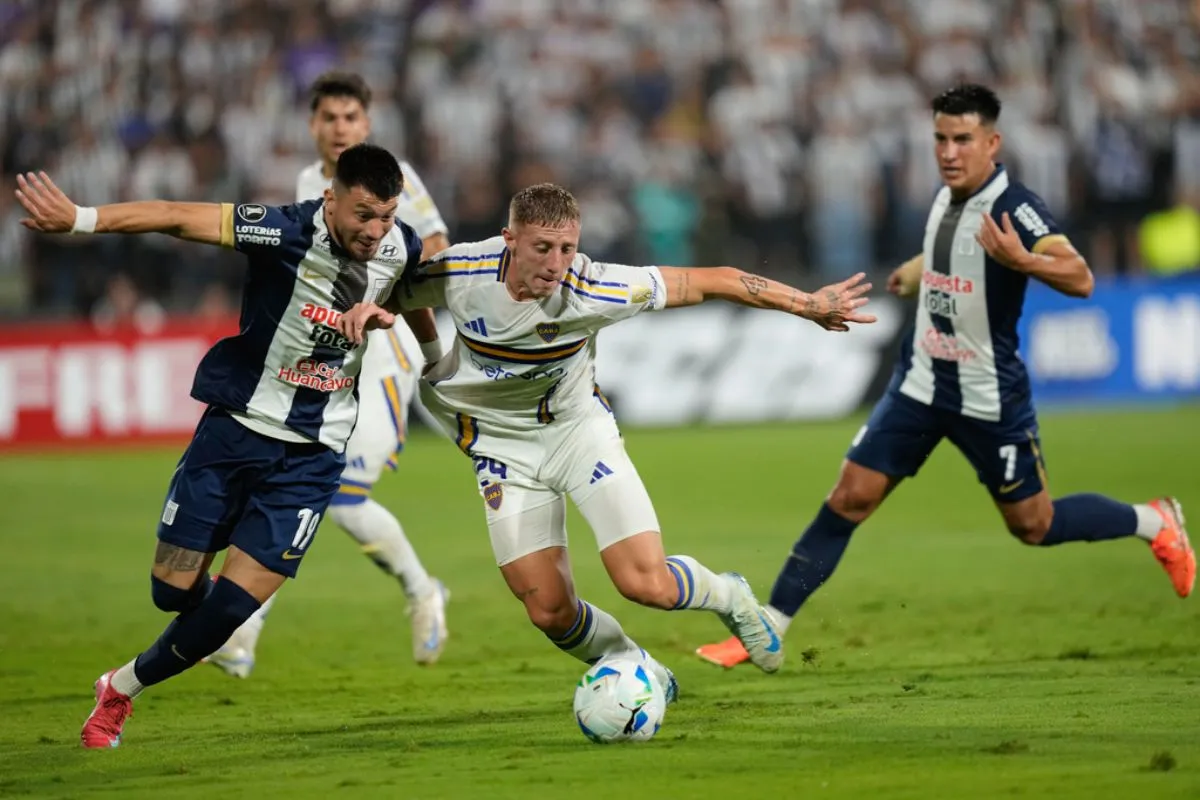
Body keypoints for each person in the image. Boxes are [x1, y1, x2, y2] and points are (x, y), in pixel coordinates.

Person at [695, 83, 1194, 670]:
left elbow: (1079, 276)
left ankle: (1153, 519)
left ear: (992, 142)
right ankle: (770, 630)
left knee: (1035, 525)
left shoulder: (1015, 207)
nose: (949, 151)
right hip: (920, 383)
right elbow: (947, 250)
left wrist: (1024, 260)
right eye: (940, 138)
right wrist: (911, 271)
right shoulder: (948, 196)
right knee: (849, 496)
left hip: (987, 397)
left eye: (962, 139)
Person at [335, 182, 876, 693]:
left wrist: (806, 304)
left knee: (647, 585)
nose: (555, 264)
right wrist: (434, 358)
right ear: (510, 240)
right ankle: (633, 665)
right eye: (542, 248)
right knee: (548, 610)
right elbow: (399, 292)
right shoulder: (463, 271)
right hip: (501, 449)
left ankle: (729, 595)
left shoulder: (594, 285)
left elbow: (712, 279)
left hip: (577, 434)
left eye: (567, 248)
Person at [14, 142, 435, 748]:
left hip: (313, 457)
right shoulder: (283, 231)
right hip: (235, 432)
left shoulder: (402, 245)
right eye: (363, 214)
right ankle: (209, 620)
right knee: (173, 593)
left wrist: (431, 356)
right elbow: (174, 214)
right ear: (331, 199)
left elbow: (409, 292)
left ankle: (121, 689)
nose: (375, 231)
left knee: (233, 610)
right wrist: (81, 219)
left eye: (386, 216)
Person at [206, 71, 451, 678]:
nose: (340, 128)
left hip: (384, 354)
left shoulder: (393, 177)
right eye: (329, 118)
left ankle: (422, 591)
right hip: (324, 362)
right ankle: (242, 629)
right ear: (313, 125)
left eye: (350, 118)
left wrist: (401, 321)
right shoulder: (306, 186)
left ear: (366, 125)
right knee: (293, 490)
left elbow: (434, 246)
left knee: (338, 497)